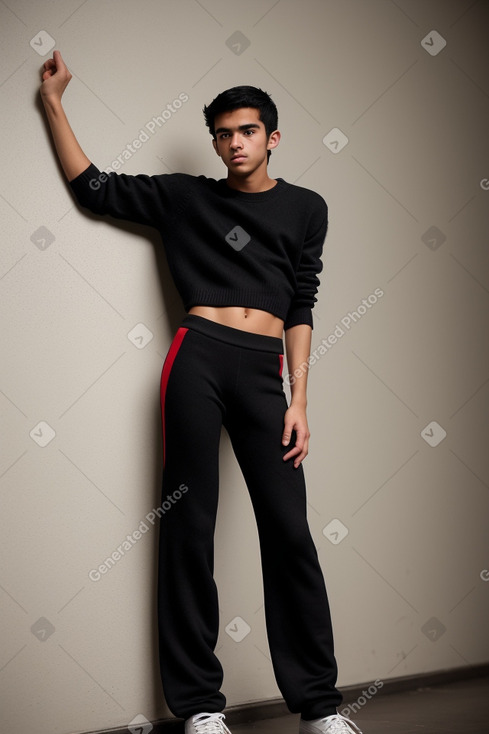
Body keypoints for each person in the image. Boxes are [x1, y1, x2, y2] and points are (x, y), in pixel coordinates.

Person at [39, 50, 363, 734]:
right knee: (188, 526)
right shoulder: (186, 196)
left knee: (288, 533)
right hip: (198, 359)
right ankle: (199, 708)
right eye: (222, 133)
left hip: (263, 371)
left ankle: (320, 708)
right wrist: (55, 106)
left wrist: (299, 399)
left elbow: (301, 305)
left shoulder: (306, 209)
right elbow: (93, 188)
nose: (233, 143)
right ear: (214, 141)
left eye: (246, 130)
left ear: (271, 136)